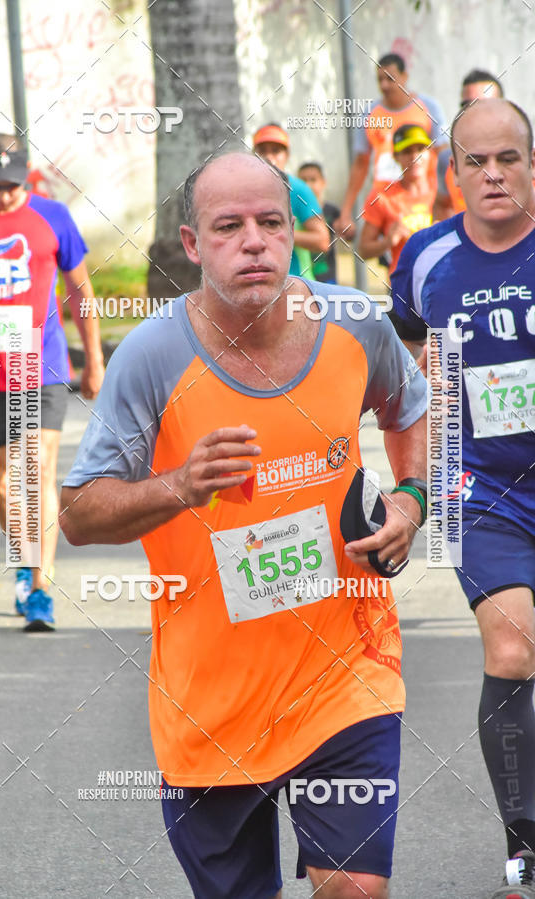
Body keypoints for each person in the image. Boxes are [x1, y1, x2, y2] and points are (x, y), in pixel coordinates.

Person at [60, 151, 427, 899]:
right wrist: (179, 485)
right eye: (228, 227)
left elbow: (413, 406)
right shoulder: (153, 356)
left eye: (271, 223)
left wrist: (412, 500)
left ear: (295, 231)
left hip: (345, 670)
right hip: (212, 699)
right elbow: (77, 512)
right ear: (194, 245)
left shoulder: (357, 324)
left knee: (356, 888)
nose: (254, 242)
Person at [390, 98, 535, 898]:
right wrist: (416, 477)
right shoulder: (425, 256)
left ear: (531, 163)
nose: (492, 174)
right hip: (483, 488)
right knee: (513, 647)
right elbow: (403, 362)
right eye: (475, 162)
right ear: (454, 173)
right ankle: (524, 846)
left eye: (507, 158)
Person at [0, 133, 104, 631]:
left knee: (37, 473)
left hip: (43, 369)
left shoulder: (54, 218)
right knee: (3, 483)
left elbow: (81, 291)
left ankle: (39, 587)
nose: (4, 195)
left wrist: (94, 358)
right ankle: (26, 556)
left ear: (28, 174)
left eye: (12, 185)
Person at [334, 52, 446, 238]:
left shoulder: (428, 107)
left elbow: (443, 157)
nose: (384, 85)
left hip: (424, 202)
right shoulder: (370, 113)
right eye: (380, 80)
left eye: (390, 78)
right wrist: (346, 212)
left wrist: (448, 198)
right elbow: (361, 163)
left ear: (405, 77)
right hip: (386, 205)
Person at [252, 123, 330, 278]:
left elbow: (322, 240)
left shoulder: (298, 190)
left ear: (286, 155)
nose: (269, 156)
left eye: (276, 151)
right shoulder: (243, 189)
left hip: (296, 283)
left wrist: (276, 232)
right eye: (262, 151)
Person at [358, 123, 435, 277]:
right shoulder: (382, 197)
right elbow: (363, 250)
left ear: (430, 153)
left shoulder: (444, 192)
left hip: (443, 281)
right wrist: (387, 241)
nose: (415, 157)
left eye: (420, 149)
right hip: (403, 286)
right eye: (407, 151)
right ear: (395, 157)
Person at [433, 69, 504, 221]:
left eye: (484, 104)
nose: (475, 111)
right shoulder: (448, 159)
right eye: (467, 105)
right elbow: (441, 204)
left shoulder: (526, 155)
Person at [297, 160, 343, 282]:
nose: (308, 185)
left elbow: (349, 234)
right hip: (303, 276)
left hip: (327, 276)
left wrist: (346, 228)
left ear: (323, 183)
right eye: (303, 180)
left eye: (313, 180)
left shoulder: (332, 211)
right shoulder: (295, 213)